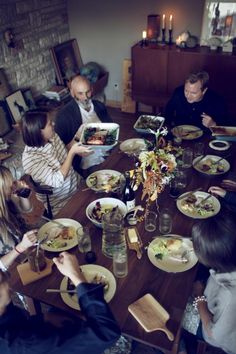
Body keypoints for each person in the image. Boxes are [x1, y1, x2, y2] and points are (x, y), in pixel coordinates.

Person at [0, 252, 121, 353]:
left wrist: (42, 318)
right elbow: (107, 332)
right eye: (2, 279)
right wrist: (76, 275)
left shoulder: (5, 311)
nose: (7, 278)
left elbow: (17, 323)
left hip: (37, 333)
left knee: (58, 310)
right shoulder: (26, 344)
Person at [181, 212, 236, 354]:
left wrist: (200, 298)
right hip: (215, 296)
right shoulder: (228, 261)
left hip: (215, 331)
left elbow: (214, 334)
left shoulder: (231, 296)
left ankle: (182, 345)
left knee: (173, 308)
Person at [21, 110, 92, 216]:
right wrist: (72, 153)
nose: (53, 124)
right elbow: (57, 181)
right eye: (50, 124)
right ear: (38, 131)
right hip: (61, 202)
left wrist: (78, 138)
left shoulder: (52, 136)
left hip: (78, 184)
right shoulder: (31, 159)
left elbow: (64, 154)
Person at [55, 75, 112, 174]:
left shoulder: (99, 106)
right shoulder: (64, 116)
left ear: (92, 89)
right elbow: (60, 151)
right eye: (80, 93)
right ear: (72, 93)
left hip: (106, 154)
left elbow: (112, 130)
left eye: (88, 92)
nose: (85, 97)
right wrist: (76, 144)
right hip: (87, 164)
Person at [0, 166, 37, 271]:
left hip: (28, 247)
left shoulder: (7, 198)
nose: (13, 186)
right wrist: (21, 247)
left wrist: (23, 193)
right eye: (9, 185)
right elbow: (1, 266)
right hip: (13, 267)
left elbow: (27, 209)